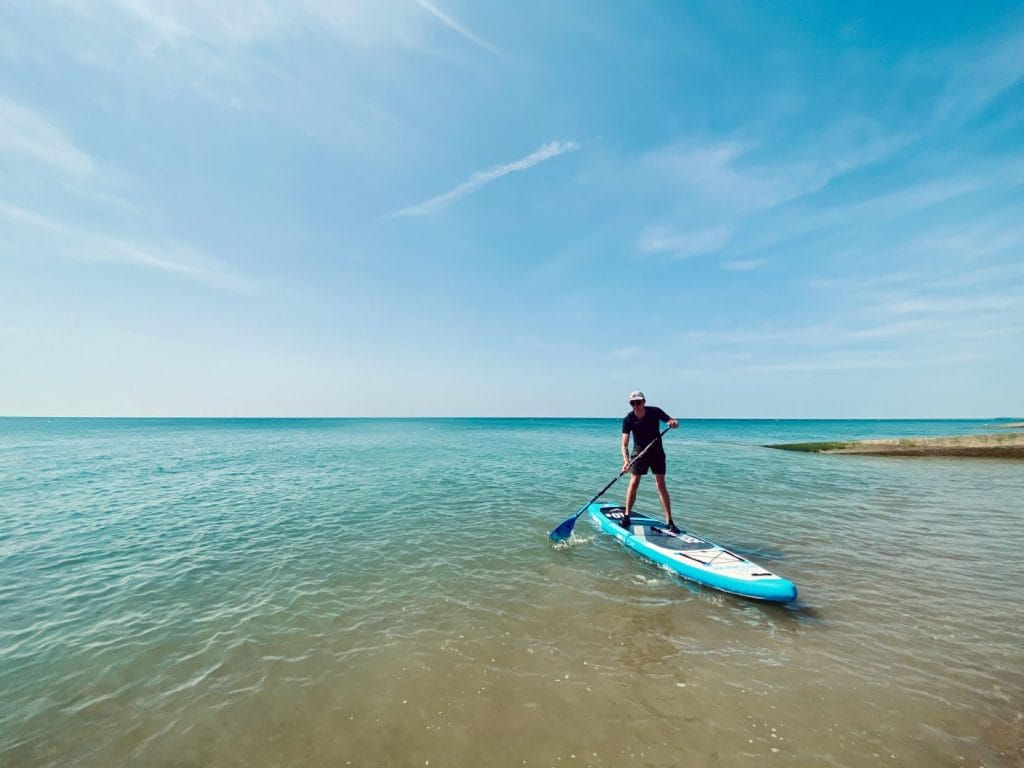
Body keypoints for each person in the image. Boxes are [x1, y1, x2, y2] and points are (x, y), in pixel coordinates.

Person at [620, 390, 679, 532]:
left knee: (661, 484)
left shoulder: (654, 411)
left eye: (638, 402)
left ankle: (669, 521)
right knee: (634, 482)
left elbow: (673, 421)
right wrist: (626, 461)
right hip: (639, 451)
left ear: (644, 402)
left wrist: (673, 423)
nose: (636, 406)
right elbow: (624, 444)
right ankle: (627, 515)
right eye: (632, 403)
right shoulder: (628, 419)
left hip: (656, 451)